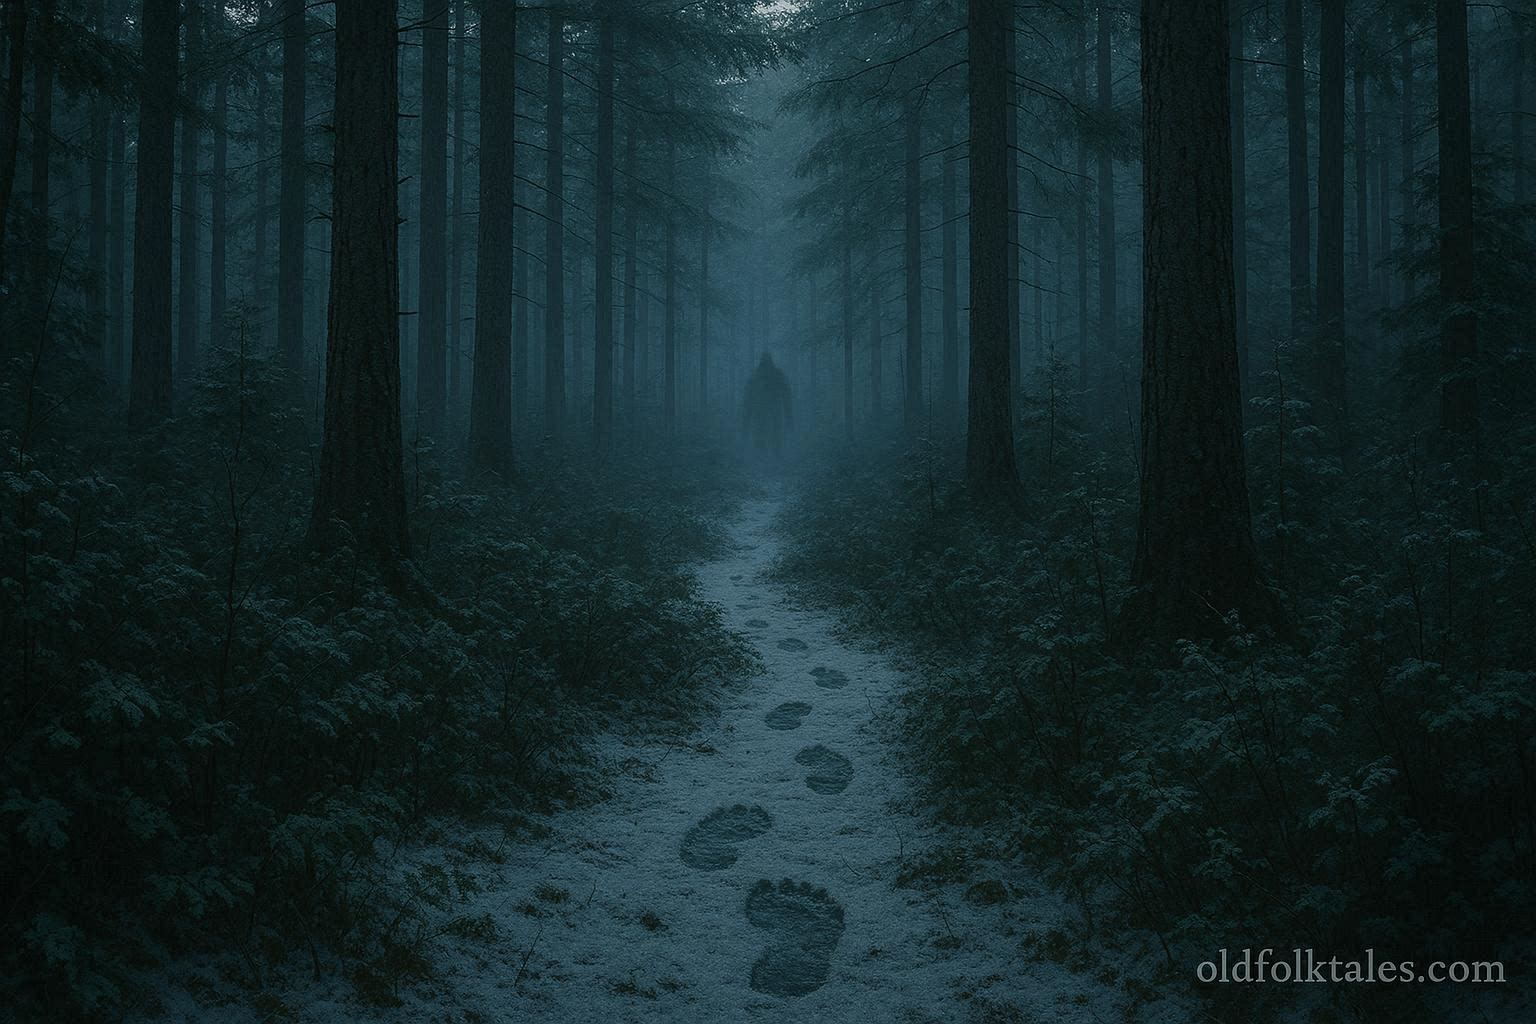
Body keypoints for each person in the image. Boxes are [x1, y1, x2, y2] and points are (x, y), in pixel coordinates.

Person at [742, 352, 793, 457]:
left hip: (766, 409)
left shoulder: (757, 375)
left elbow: (748, 398)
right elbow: (748, 397)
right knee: (768, 434)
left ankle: (768, 457)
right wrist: (788, 415)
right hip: (766, 409)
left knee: (767, 434)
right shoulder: (768, 375)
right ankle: (769, 457)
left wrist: (746, 417)